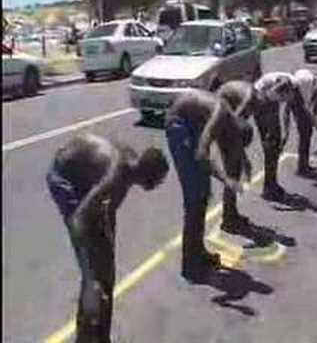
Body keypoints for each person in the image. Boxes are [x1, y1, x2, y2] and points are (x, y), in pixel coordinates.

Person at [46, 133, 169, 343]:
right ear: (148, 174)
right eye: (159, 181)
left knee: (105, 269)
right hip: (64, 178)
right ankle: (86, 337)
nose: (159, 185)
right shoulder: (117, 174)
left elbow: (109, 211)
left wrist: (107, 249)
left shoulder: (131, 168)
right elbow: (78, 221)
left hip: (84, 175)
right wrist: (89, 273)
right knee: (95, 277)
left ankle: (101, 335)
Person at [165, 89, 253, 283]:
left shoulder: (230, 120)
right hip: (179, 126)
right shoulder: (219, 116)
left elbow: (234, 143)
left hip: (192, 122)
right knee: (195, 198)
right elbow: (201, 155)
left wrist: (245, 162)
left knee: (203, 193)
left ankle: (198, 252)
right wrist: (226, 179)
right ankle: (190, 267)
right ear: (230, 130)